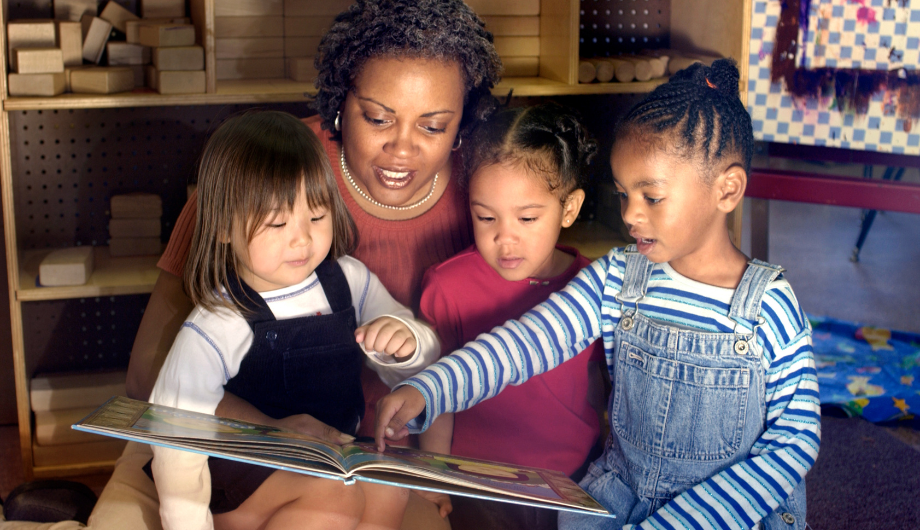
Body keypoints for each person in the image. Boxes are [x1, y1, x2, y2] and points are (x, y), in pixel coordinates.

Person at [376, 59, 821, 530]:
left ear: (726, 190)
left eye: (650, 196)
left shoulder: (770, 305)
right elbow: (525, 343)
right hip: (620, 500)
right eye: (623, 193)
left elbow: (795, 443)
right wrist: (430, 388)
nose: (630, 215)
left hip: (728, 516)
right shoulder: (615, 278)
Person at [125, 0, 502, 448]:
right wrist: (271, 434)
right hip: (273, 452)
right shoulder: (265, 170)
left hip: (428, 451)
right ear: (340, 100)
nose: (402, 149)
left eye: (434, 127)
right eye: (378, 119)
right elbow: (148, 373)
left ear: (462, 124)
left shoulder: (488, 189)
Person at [147, 111, 440, 530]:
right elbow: (174, 432)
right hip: (239, 482)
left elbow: (421, 355)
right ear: (223, 226)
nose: (302, 238)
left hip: (327, 457)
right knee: (331, 498)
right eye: (278, 223)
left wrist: (407, 342)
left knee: (388, 485)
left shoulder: (349, 279)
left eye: (316, 217)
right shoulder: (219, 320)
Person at [416, 103, 607, 527]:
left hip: (571, 485)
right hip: (478, 487)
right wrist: (432, 480)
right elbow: (436, 396)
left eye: (527, 218)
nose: (505, 237)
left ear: (570, 209)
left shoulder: (596, 287)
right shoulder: (449, 286)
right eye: (486, 217)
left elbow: (604, 391)